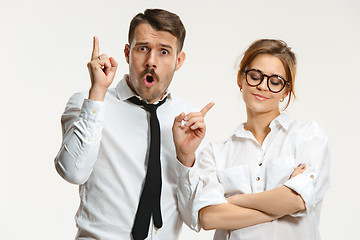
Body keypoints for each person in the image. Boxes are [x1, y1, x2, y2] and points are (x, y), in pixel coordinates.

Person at [54, 9, 213, 240]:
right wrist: (97, 93)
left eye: (164, 52)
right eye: (143, 48)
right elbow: (72, 172)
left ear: (178, 61)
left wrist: (186, 158)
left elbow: (193, 218)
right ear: (128, 53)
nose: (151, 62)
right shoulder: (90, 102)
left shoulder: (188, 119)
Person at [173, 39, 330, 239]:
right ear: (241, 79)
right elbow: (209, 218)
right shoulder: (216, 153)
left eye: (275, 82)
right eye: (255, 76)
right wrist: (281, 200)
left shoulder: (308, 136)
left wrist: (230, 202)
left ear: (286, 91)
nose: (263, 86)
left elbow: (298, 201)